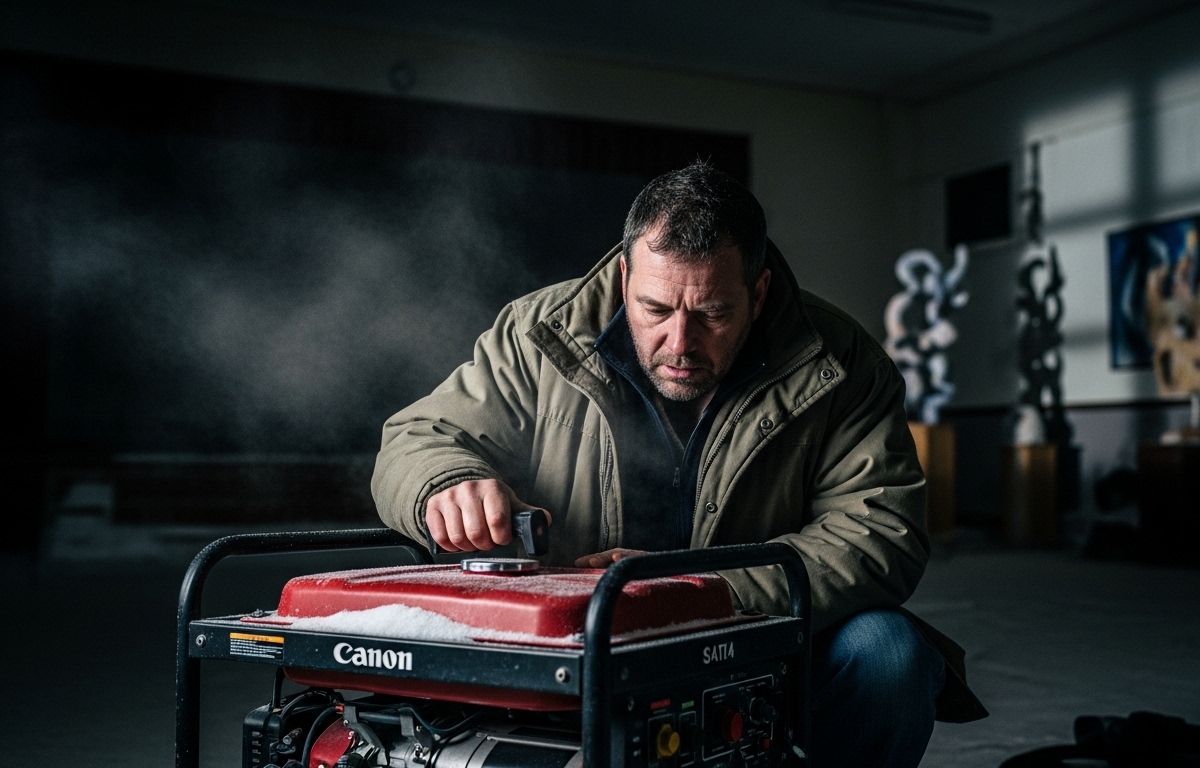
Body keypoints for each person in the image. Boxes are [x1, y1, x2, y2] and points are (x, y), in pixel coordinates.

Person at [372, 161, 986, 766]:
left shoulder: (843, 360)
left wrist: (699, 591)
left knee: (889, 655)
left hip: (753, 640)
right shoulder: (536, 335)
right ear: (623, 276)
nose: (680, 344)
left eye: (713, 314)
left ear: (760, 290)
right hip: (572, 640)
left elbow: (880, 532)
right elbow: (420, 435)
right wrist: (445, 483)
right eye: (656, 310)